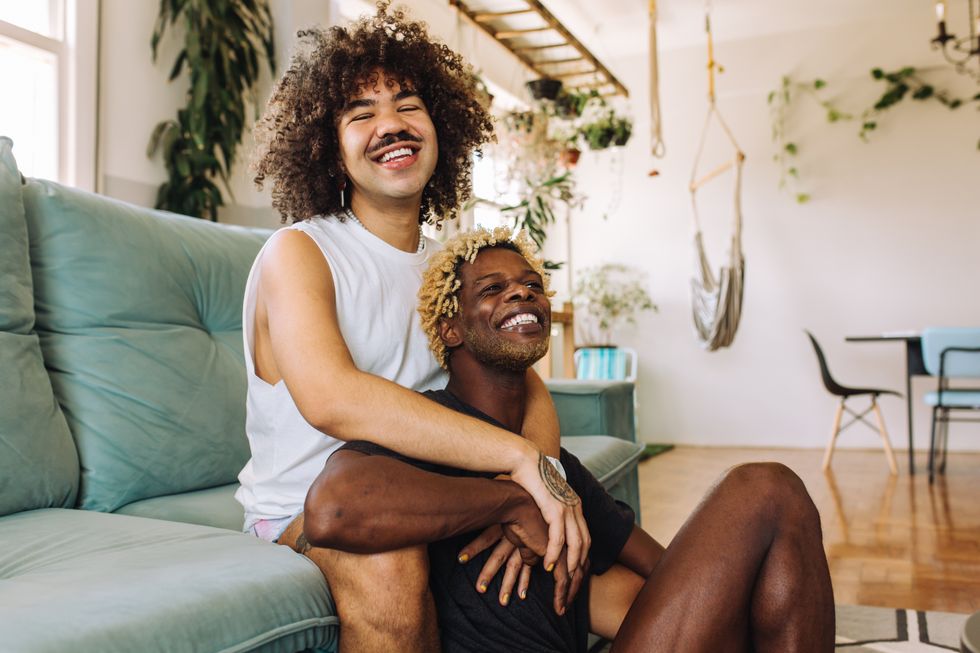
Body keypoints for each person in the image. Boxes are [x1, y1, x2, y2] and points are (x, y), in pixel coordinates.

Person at [302, 227, 837, 653]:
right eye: (493, 289)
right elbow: (333, 511)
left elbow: (669, 574)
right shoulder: (432, 435)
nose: (522, 292)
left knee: (775, 502)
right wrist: (510, 502)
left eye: (532, 284)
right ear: (451, 330)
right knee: (766, 486)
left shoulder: (555, 471)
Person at [238, 3, 588, 651]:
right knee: (392, 565)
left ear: (441, 126)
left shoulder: (447, 265)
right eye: (360, 113)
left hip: (431, 491)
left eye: (407, 104)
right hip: (306, 509)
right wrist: (515, 460)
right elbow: (333, 398)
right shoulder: (299, 253)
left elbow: (523, 380)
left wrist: (539, 476)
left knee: (603, 579)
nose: (390, 125)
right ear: (328, 145)